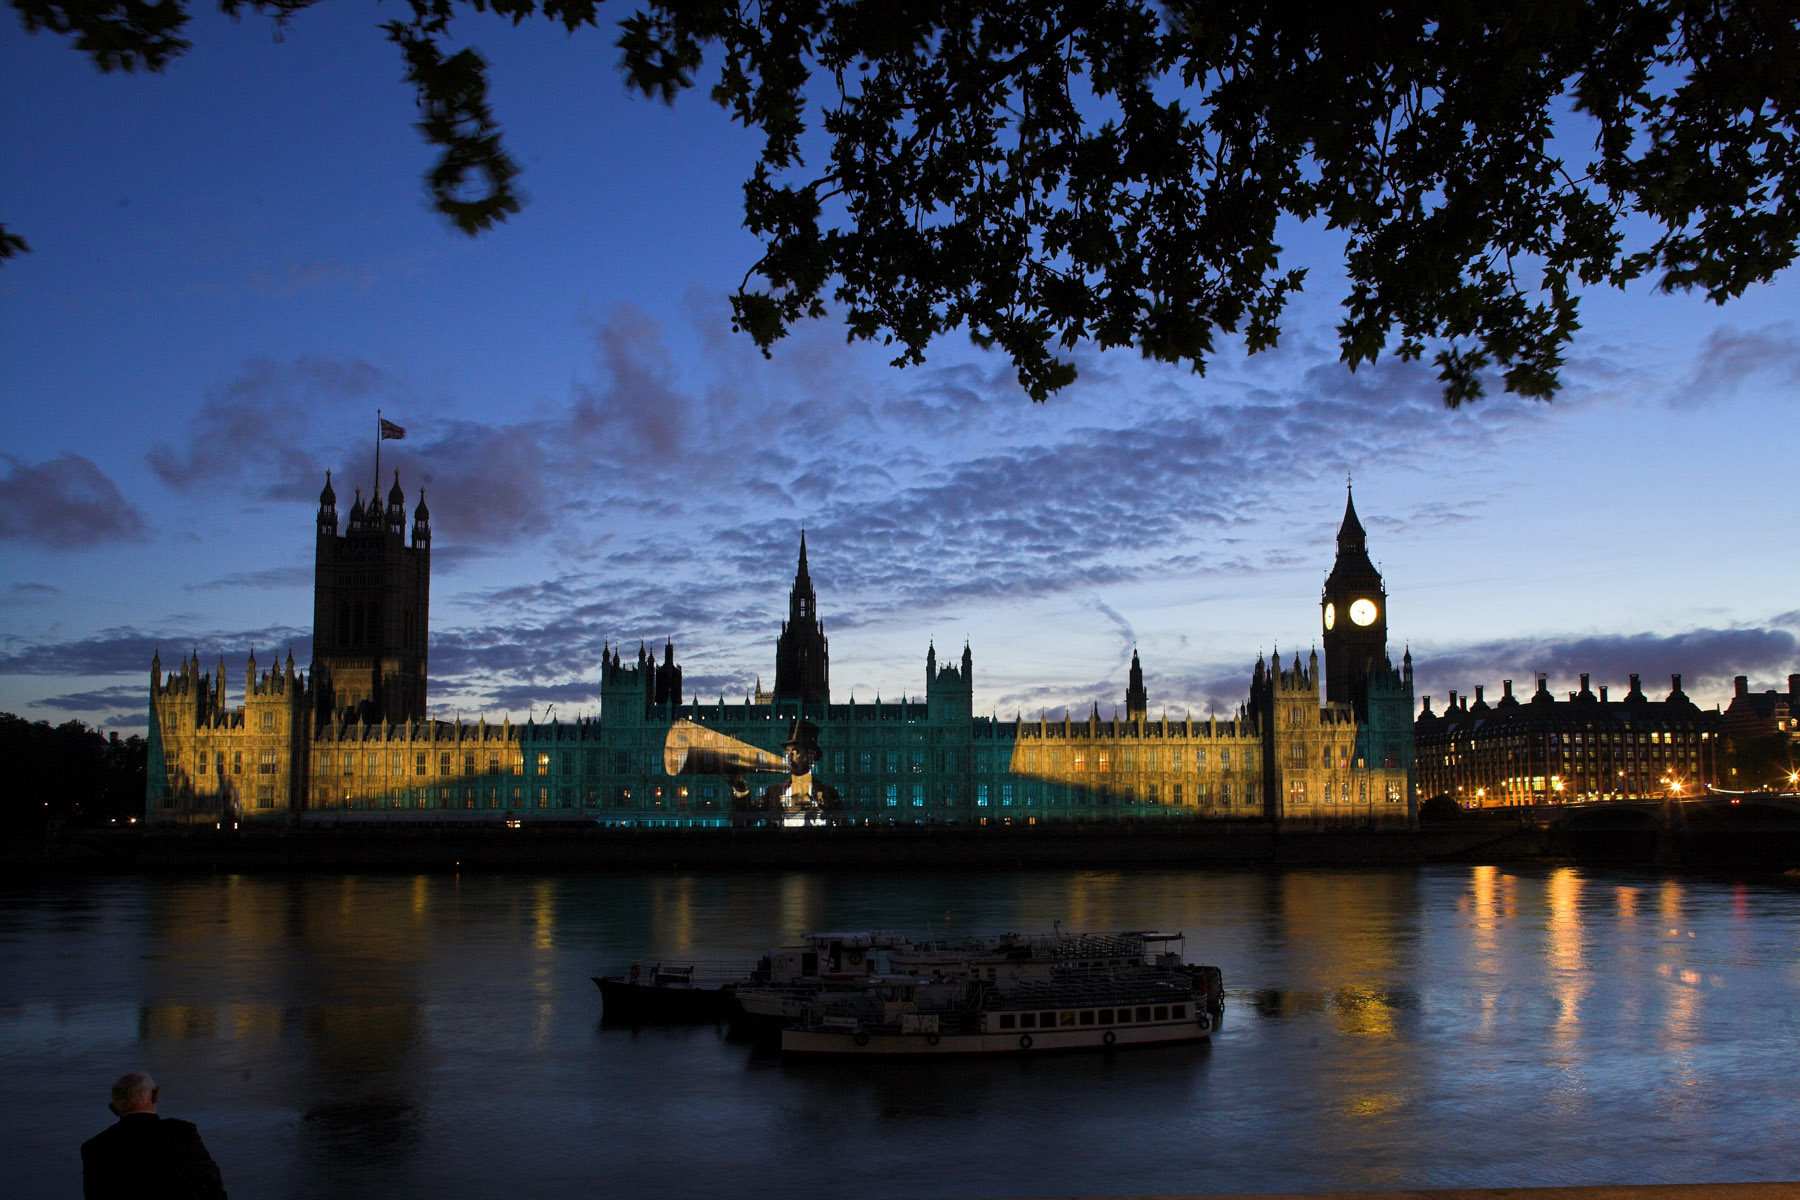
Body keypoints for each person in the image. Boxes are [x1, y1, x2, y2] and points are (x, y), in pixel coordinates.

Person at [81, 1072, 226, 1200]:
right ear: (155, 1095)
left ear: (113, 1109)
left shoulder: (93, 1148)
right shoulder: (182, 1133)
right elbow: (211, 1180)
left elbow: (93, 1194)